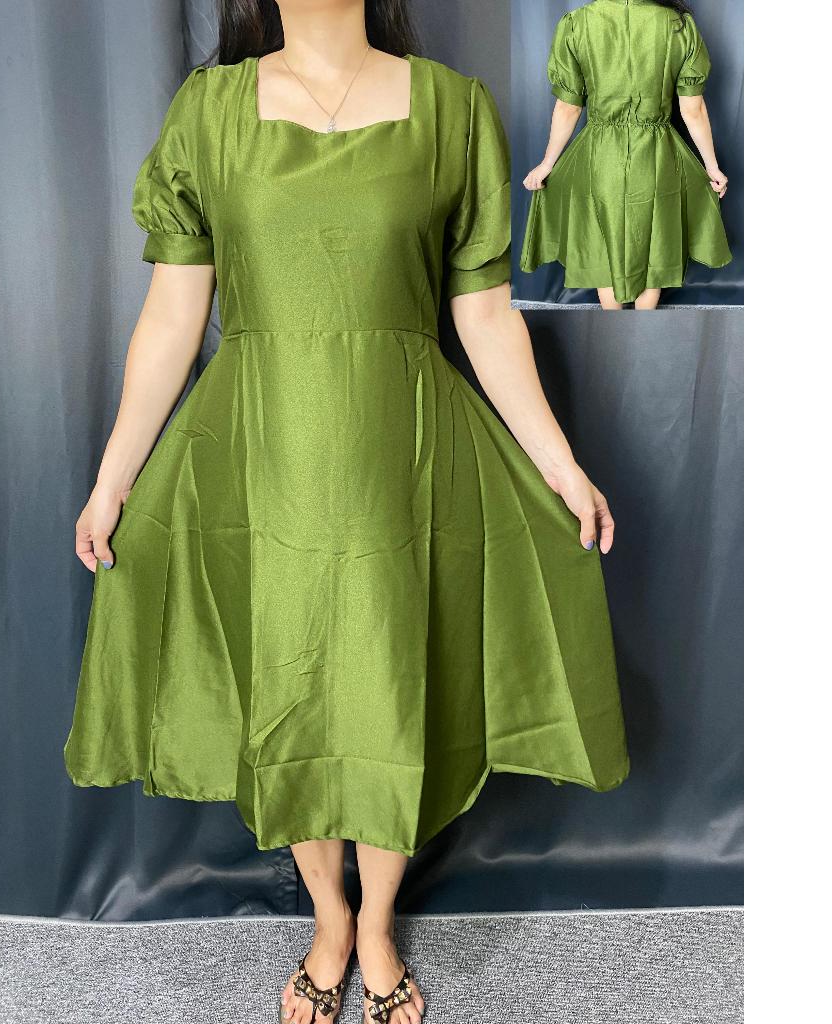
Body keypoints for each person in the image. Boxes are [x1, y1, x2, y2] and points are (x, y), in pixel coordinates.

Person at [63, 2, 629, 1021]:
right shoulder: (209, 111)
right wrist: (112, 478)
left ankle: (376, 925)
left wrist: (559, 464)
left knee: (386, 690)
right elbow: (174, 313)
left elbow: (483, 313)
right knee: (282, 691)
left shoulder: (452, 111)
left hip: (400, 464)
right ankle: (329, 919)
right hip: (257, 461)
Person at [520, 0, 731, 310]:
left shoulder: (577, 24)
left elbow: (568, 107)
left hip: (600, 156)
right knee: (653, 245)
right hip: (657, 155)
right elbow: (693, 109)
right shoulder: (679, 25)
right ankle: (642, 330)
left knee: (603, 244)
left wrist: (547, 164)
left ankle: (614, 325)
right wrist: (711, 167)